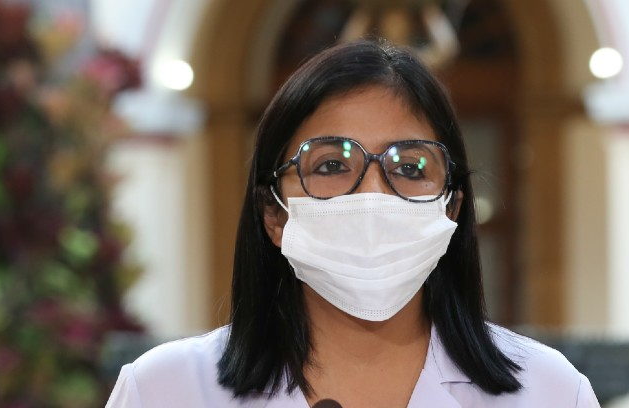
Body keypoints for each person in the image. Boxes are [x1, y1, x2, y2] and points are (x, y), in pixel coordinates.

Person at [105, 40, 599, 407]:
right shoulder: (165, 390)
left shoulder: (549, 392)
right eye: (331, 165)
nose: (372, 195)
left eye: (410, 168)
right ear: (273, 213)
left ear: (451, 208)